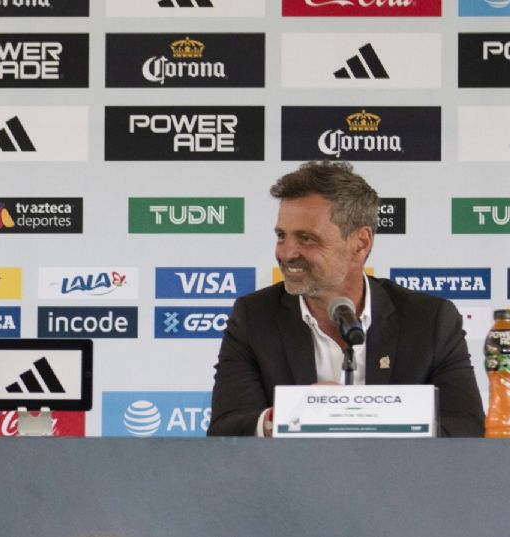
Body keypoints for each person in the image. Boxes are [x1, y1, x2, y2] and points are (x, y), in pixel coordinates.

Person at [208, 161, 485, 437]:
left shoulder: (430, 320)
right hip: (292, 480)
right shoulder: (253, 317)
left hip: (399, 479)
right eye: (282, 236)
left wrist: (364, 416)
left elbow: (467, 428)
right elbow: (225, 431)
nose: (287, 253)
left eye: (306, 238)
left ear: (361, 243)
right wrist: (288, 416)